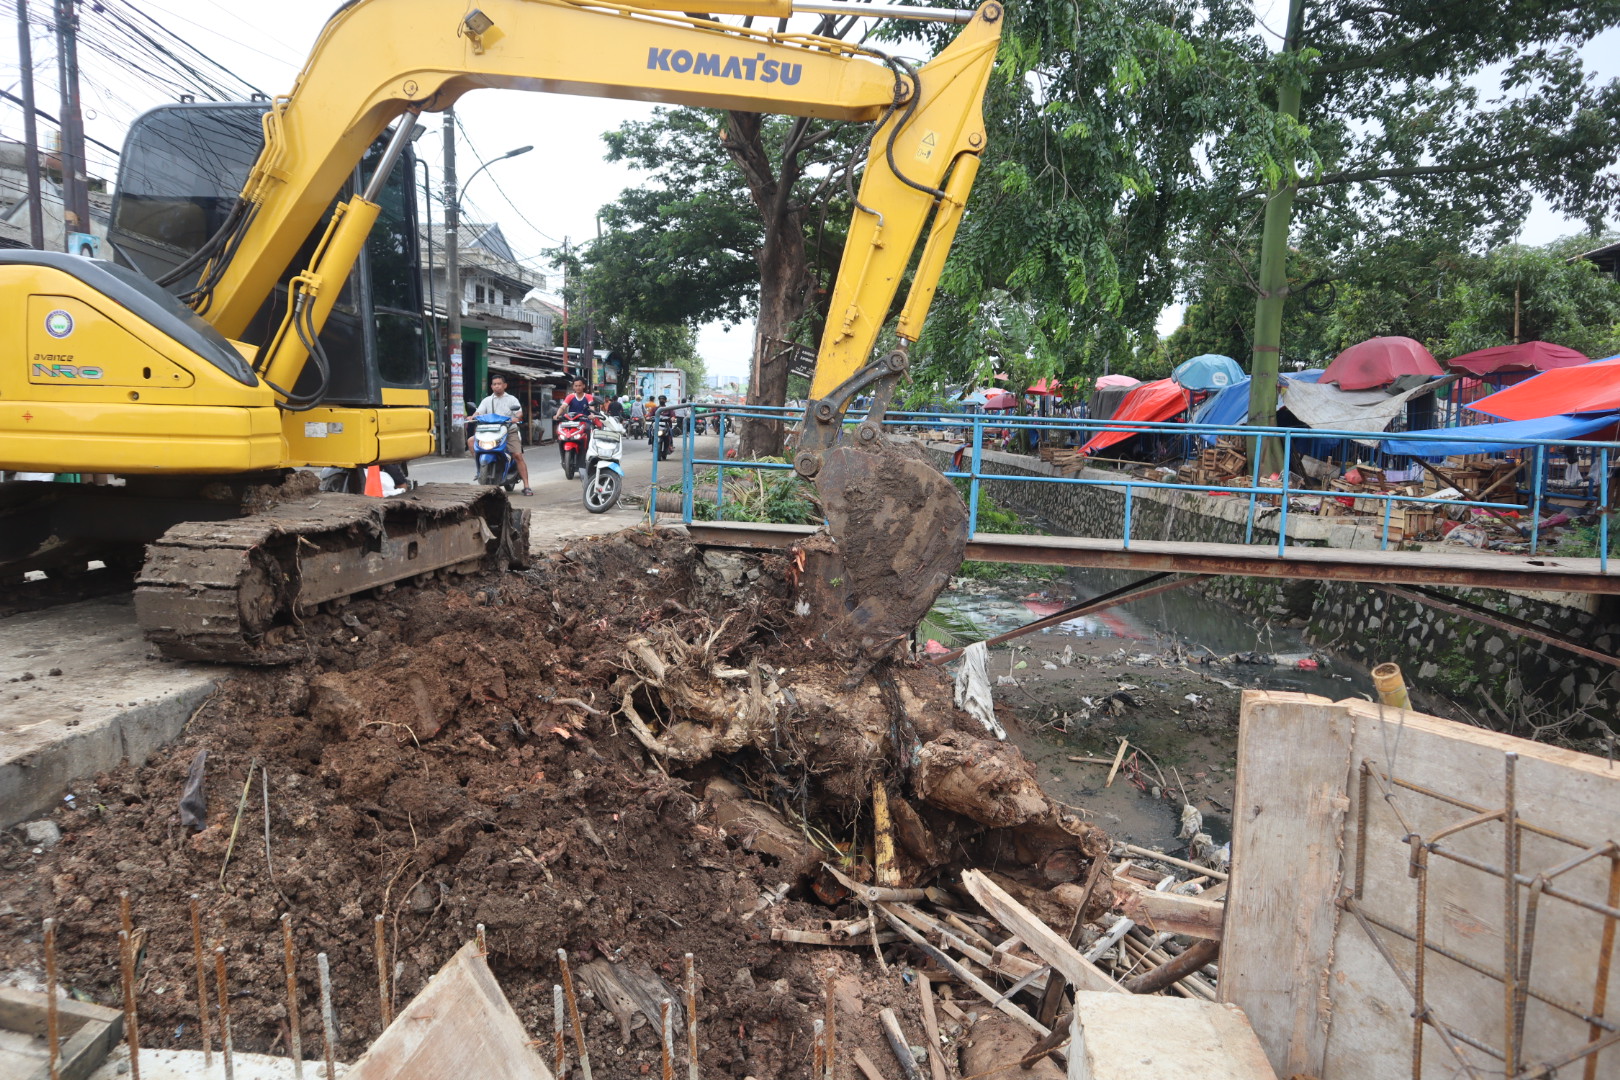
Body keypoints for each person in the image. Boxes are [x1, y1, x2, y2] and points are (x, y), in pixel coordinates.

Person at [467, 375, 532, 495]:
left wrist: (517, 417)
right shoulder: (487, 400)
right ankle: (480, 470)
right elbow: (479, 411)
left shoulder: (511, 399)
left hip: (508, 431)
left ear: (504, 385)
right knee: (471, 441)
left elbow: (519, 412)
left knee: (517, 455)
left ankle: (526, 486)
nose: (497, 386)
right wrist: (472, 417)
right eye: (494, 384)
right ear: (491, 386)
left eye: (499, 384)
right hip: (489, 432)